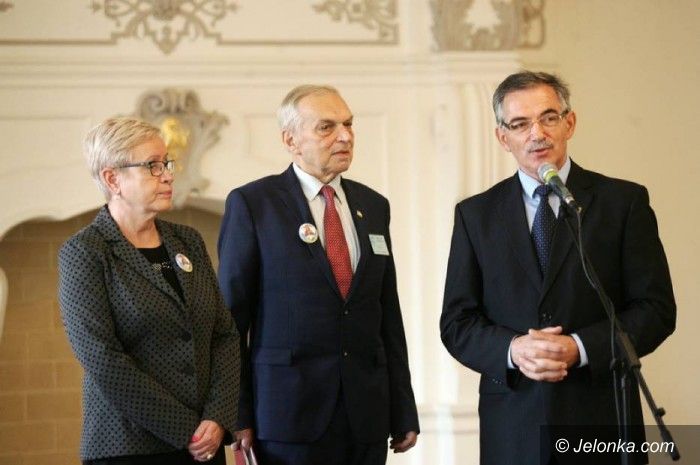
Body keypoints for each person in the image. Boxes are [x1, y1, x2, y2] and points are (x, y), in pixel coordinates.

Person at [440, 71, 676, 465]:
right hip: (513, 425)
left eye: (548, 118)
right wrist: (514, 349)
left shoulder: (623, 203)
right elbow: (457, 323)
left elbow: (656, 310)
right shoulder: (475, 215)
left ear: (570, 123)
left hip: (601, 419)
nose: (537, 133)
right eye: (520, 124)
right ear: (503, 138)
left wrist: (579, 348)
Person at [218, 85, 419, 465]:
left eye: (348, 124)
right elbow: (230, 321)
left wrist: (403, 409)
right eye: (327, 127)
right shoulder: (254, 204)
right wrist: (237, 412)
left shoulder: (374, 205)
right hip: (288, 415)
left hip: (366, 415)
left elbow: (387, 314)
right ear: (290, 140)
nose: (345, 136)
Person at [58, 117, 240, 465]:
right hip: (128, 446)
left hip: (205, 444)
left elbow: (224, 335)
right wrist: (186, 429)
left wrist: (217, 418)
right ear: (113, 179)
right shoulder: (85, 252)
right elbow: (101, 357)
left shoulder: (187, 241)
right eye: (152, 166)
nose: (168, 175)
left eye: (166, 163)